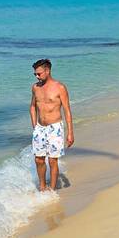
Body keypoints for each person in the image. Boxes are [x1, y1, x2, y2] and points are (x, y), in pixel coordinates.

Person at [29, 58, 74, 191]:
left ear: (47, 71)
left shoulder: (60, 87)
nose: (37, 76)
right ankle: (42, 187)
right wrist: (35, 126)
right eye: (35, 74)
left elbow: (67, 110)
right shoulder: (35, 87)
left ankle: (52, 189)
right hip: (40, 128)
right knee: (39, 159)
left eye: (39, 74)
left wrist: (70, 132)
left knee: (52, 160)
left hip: (55, 128)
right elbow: (32, 107)